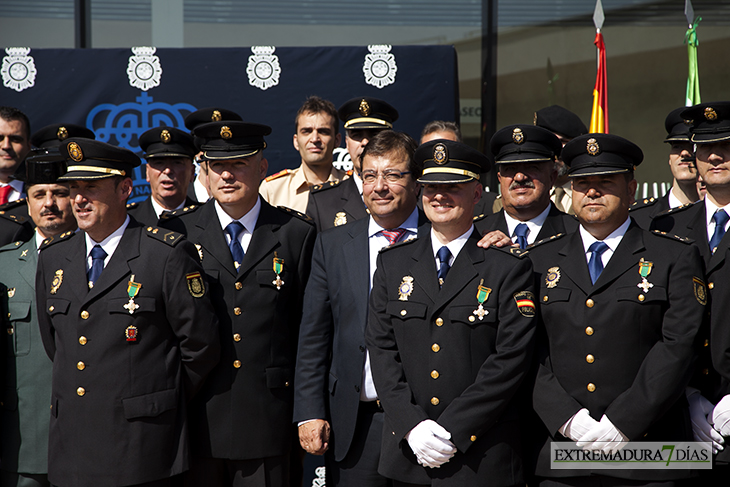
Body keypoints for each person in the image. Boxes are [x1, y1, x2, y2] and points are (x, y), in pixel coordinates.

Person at [35, 138, 220, 487]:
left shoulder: (164, 254)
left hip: (141, 446)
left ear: (123, 189)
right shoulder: (54, 257)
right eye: (73, 188)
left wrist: (153, 399)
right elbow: (56, 344)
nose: (78, 199)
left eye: (90, 187)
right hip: (74, 447)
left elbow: (200, 346)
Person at [527, 133, 705, 486]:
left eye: (605, 182)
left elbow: (679, 345)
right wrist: (565, 417)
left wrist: (625, 420)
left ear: (631, 189)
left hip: (650, 451)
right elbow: (525, 350)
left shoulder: (674, 256)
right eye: (582, 184)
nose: (592, 191)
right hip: (565, 450)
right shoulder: (538, 259)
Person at [366, 139, 537, 486]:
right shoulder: (392, 262)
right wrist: (412, 426)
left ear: (477, 194)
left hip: (481, 458)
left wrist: (453, 430)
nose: (440, 196)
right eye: (431, 187)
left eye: (453, 188)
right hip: (408, 455)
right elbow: (382, 351)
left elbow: (510, 361)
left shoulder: (507, 267)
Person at [160, 120, 316, 487]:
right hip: (198, 416)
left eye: (240, 164)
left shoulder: (296, 233)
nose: (227, 175)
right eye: (217, 166)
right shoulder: (176, 232)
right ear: (205, 173)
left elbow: (310, 330)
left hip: (269, 417)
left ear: (262, 167)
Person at [294, 131, 427, 487]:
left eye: (393, 175)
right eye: (370, 176)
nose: (379, 186)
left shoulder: (441, 239)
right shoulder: (333, 245)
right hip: (356, 424)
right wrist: (309, 412)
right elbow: (314, 336)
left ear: (416, 182)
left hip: (426, 423)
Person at [653, 101, 730, 473]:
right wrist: (687, 394)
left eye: (727, 145)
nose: (715, 156)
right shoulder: (665, 229)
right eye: (705, 147)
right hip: (679, 414)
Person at [0, 149, 77, 487]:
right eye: (39, 195)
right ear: (26, 203)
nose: (50, 203)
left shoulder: (104, 262)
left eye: (60, 193)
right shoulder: (3, 266)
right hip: (22, 441)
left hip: (89, 442)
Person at [476, 124, 577, 250]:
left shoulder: (577, 234)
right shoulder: (475, 235)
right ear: (500, 179)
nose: (519, 177)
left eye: (531, 167)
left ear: (552, 177)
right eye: (510, 169)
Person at [306, 97, 398, 231]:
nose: (365, 142)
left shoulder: (414, 195)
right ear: (347, 143)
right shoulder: (322, 202)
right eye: (357, 135)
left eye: (374, 134)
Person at [259, 96, 346, 213]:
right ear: (296, 141)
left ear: (337, 140)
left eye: (323, 131)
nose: (315, 139)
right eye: (307, 131)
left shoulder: (353, 187)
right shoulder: (272, 190)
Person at [630, 107, 700, 229]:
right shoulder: (639, 217)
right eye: (677, 147)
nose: (684, 153)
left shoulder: (719, 217)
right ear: (669, 159)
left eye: (692, 147)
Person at [420, 121, 498, 217]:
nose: (439, 155)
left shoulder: (492, 203)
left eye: (452, 187)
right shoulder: (415, 206)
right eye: (430, 150)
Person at [128, 126, 197, 226]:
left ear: (191, 172)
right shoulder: (129, 220)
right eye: (159, 163)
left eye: (177, 163)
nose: (168, 171)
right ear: (147, 172)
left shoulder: (208, 219)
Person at [533, 105, 588, 215]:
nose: (555, 151)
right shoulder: (525, 195)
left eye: (562, 142)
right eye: (549, 143)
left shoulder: (592, 195)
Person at [184, 107, 243, 203]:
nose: (215, 154)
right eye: (206, 146)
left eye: (222, 147)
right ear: (196, 150)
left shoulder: (244, 196)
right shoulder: (180, 198)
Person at [0, 107, 31, 205]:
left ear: (28, 146)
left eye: (15, 139)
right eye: (0, 138)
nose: (6, 146)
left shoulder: (42, 195)